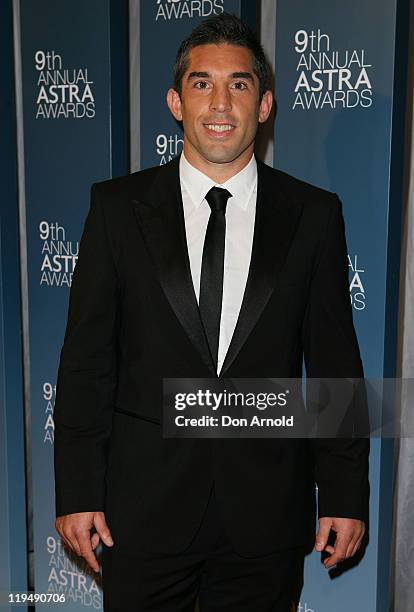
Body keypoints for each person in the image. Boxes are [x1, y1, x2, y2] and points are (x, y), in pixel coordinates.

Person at [54, 13, 370, 612]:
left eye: (240, 84)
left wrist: (346, 494)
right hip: (141, 510)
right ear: (176, 101)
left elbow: (336, 365)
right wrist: (76, 490)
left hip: (266, 513)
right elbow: (86, 363)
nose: (220, 103)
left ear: (267, 103)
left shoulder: (313, 216)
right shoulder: (117, 210)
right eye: (202, 84)